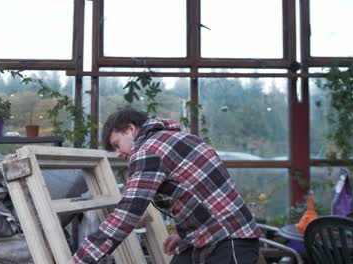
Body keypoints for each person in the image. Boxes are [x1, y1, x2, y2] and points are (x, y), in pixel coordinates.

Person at [69, 107, 263, 264]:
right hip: (219, 236)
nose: (118, 153)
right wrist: (185, 234)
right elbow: (203, 194)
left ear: (130, 129)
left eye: (117, 144)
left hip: (229, 241)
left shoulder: (148, 151)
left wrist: (81, 259)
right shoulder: (176, 138)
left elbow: (127, 214)